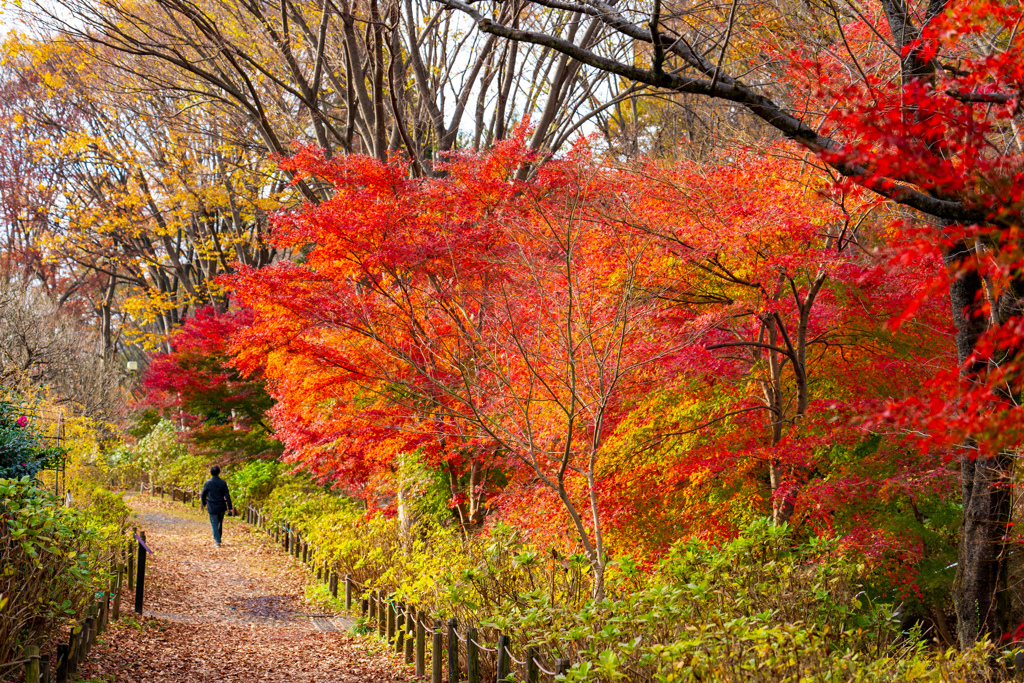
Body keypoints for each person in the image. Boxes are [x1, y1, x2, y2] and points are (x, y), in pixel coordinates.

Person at [200, 465, 233, 547]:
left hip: (211, 506)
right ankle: (218, 539)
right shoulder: (223, 483)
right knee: (219, 523)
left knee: (214, 523)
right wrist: (230, 507)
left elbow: (203, 495)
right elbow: (227, 495)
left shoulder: (208, 483)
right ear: (219, 473)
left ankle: (217, 541)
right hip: (221, 505)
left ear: (210, 473)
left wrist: (203, 503)